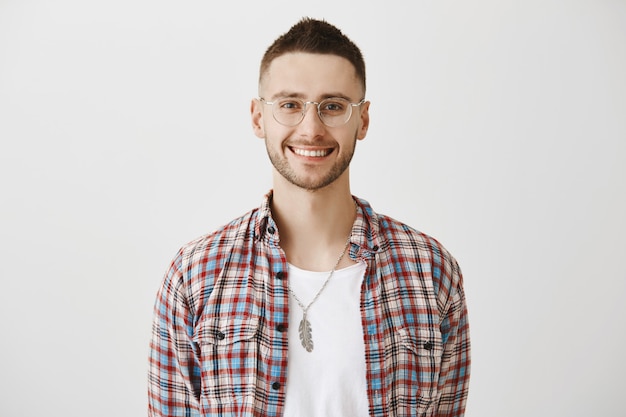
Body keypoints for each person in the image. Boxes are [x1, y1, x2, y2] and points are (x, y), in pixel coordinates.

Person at [148, 17, 470, 417]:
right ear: (257, 117)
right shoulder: (195, 275)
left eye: (333, 106)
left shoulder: (432, 271)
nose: (311, 128)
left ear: (363, 119)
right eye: (290, 105)